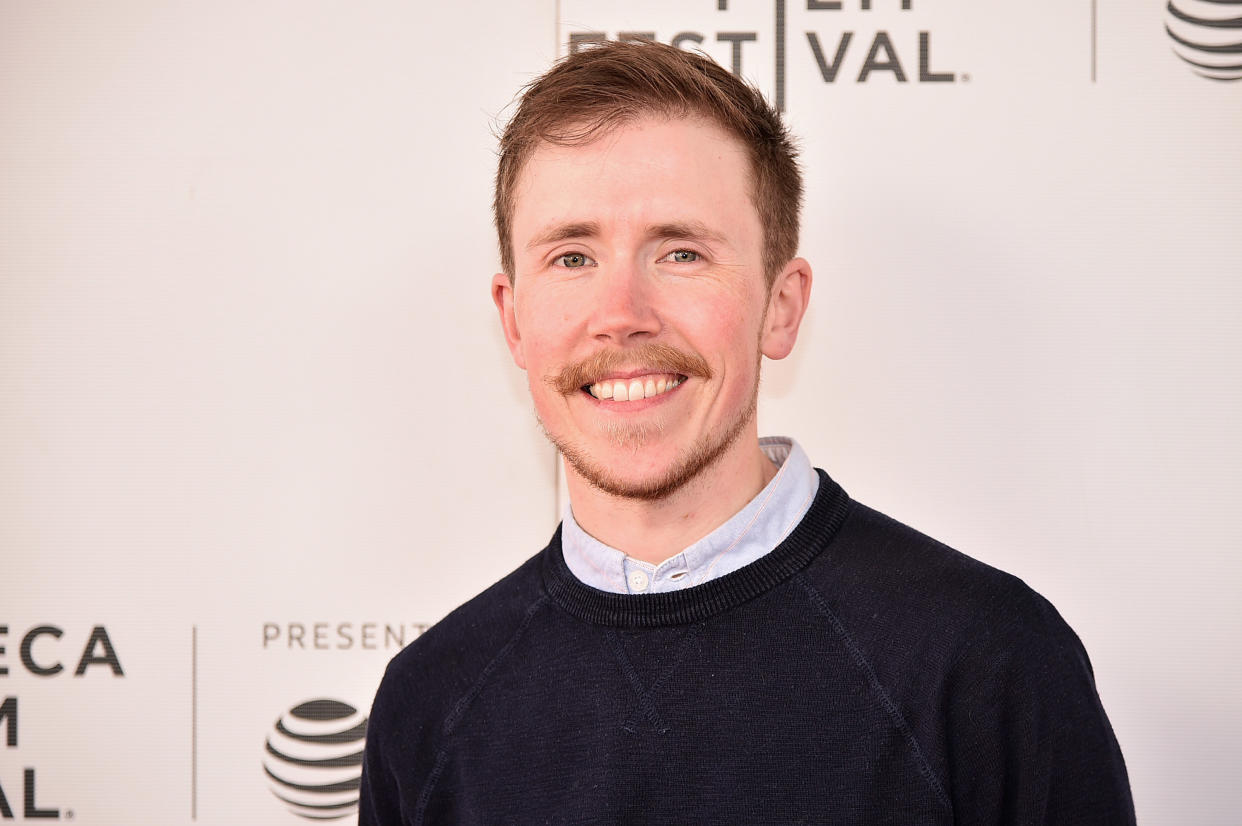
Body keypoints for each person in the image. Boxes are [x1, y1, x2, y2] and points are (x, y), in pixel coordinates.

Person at [360, 41, 1134, 825]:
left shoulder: (988, 663)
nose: (621, 312)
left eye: (682, 251)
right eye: (572, 256)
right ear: (513, 318)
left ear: (781, 305)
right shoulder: (429, 705)